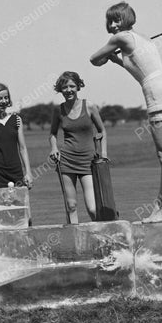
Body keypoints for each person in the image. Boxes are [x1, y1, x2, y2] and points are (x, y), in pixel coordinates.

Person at [90, 1, 162, 223]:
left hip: (158, 95)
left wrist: (108, 53)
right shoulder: (142, 38)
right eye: (110, 21)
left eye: (117, 20)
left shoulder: (119, 39)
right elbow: (138, 67)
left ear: (126, 20)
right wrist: (116, 59)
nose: (113, 25)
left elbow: (94, 59)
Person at [49, 71, 107, 224]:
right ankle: (76, 244)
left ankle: (102, 239)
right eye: (64, 87)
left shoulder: (89, 106)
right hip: (67, 161)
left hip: (89, 162)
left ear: (78, 86)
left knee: (93, 208)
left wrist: (104, 154)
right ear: (60, 89)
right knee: (71, 206)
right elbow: (52, 134)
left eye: (72, 86)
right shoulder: (58, 110)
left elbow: (102, 131)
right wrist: (54, 148)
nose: (68, 90)